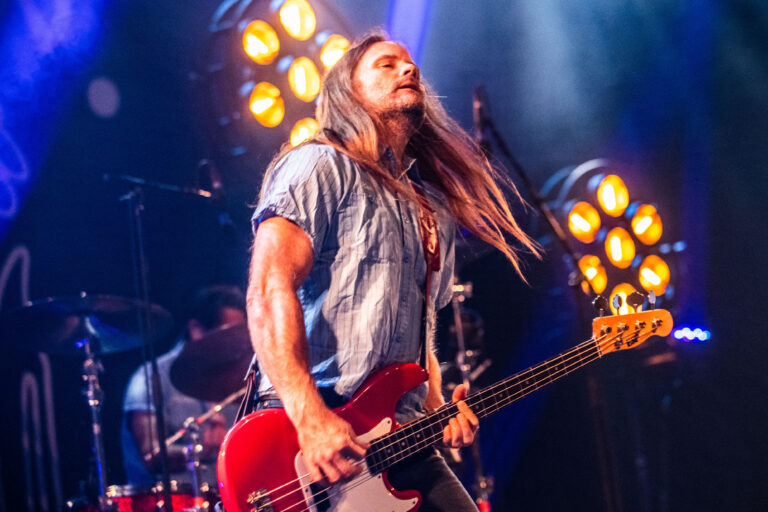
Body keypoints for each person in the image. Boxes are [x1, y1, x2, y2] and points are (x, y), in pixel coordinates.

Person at [247, 32, 539, 511]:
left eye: (411, 67)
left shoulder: (431, 210)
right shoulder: (319, 165)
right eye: (387, 65)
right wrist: (310, 418)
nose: (408, 71)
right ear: (349, 92)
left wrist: (438, 410)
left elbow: (422, 335)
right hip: (313, 432)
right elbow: (267, 287)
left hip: (402, 440)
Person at [121, 285, 246, 486]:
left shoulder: (241, 376)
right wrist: (199, 449)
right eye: (226, 334)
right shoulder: (150, 377)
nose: (237, 343)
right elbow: (150, 456)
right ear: (196, 329)